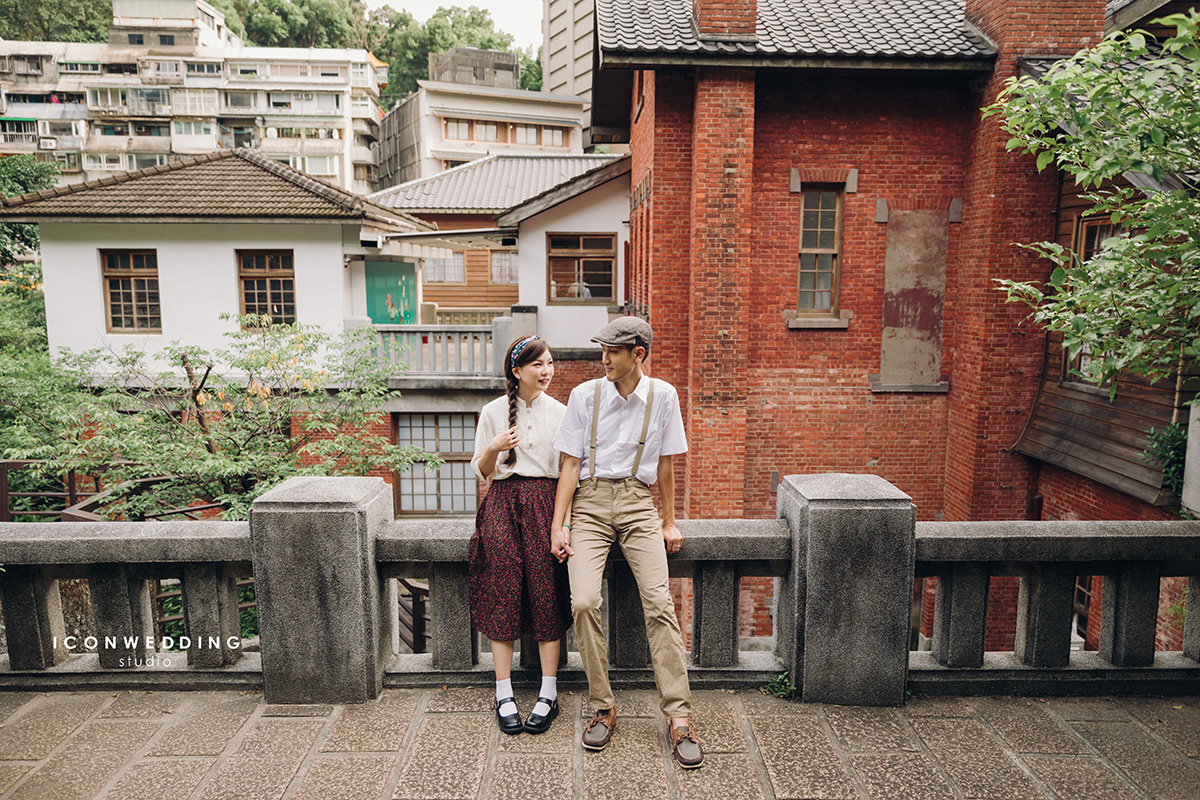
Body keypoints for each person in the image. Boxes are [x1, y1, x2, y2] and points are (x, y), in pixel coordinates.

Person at [550, 317, 704, 769]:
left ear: (638, 354)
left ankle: (678, 716)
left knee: (659, 603)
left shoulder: (664, 396)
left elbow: (666, 467)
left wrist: (670, 521)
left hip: (639, 504)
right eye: (602, 351)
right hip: (590, 502)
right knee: (582, 601)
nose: (603, 360)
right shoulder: (584, 396)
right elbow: (570, 466)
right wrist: (560, 525)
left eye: (612, 352)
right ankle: (603, 705)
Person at [469, 334, 571, 735]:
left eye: (549, 363)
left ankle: (549, 692)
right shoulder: (492, 412)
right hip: (502, 504)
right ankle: (504, 691)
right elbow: (482, 470)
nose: (546, 371)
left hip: (546, 504)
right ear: (517, 371)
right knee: (503, 592)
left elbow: (569, 472)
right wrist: (494, 446)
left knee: (547, 592)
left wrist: (562, 525)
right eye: (537, 365)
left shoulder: (562, 413)